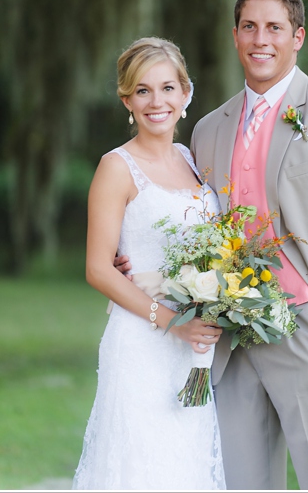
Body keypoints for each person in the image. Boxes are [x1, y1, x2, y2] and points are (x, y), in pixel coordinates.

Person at [116, 0, 308, 489]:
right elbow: (190, 218)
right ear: (235, 35)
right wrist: (132, 256)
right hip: (230, 339)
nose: (260, 39)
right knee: (240, 482)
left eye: (274, 27)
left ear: (298, 37)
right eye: (249, 26)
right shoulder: (208, 128)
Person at [72, 37, 225, 490]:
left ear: (186, 93)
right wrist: (172, 321)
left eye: (167, 88)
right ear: (127, 100)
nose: (156, 102)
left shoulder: (193, 160)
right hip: (143, 340)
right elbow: (98, 268)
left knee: (185, 465)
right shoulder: (115, 167)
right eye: (142, 91)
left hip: (194, 344)